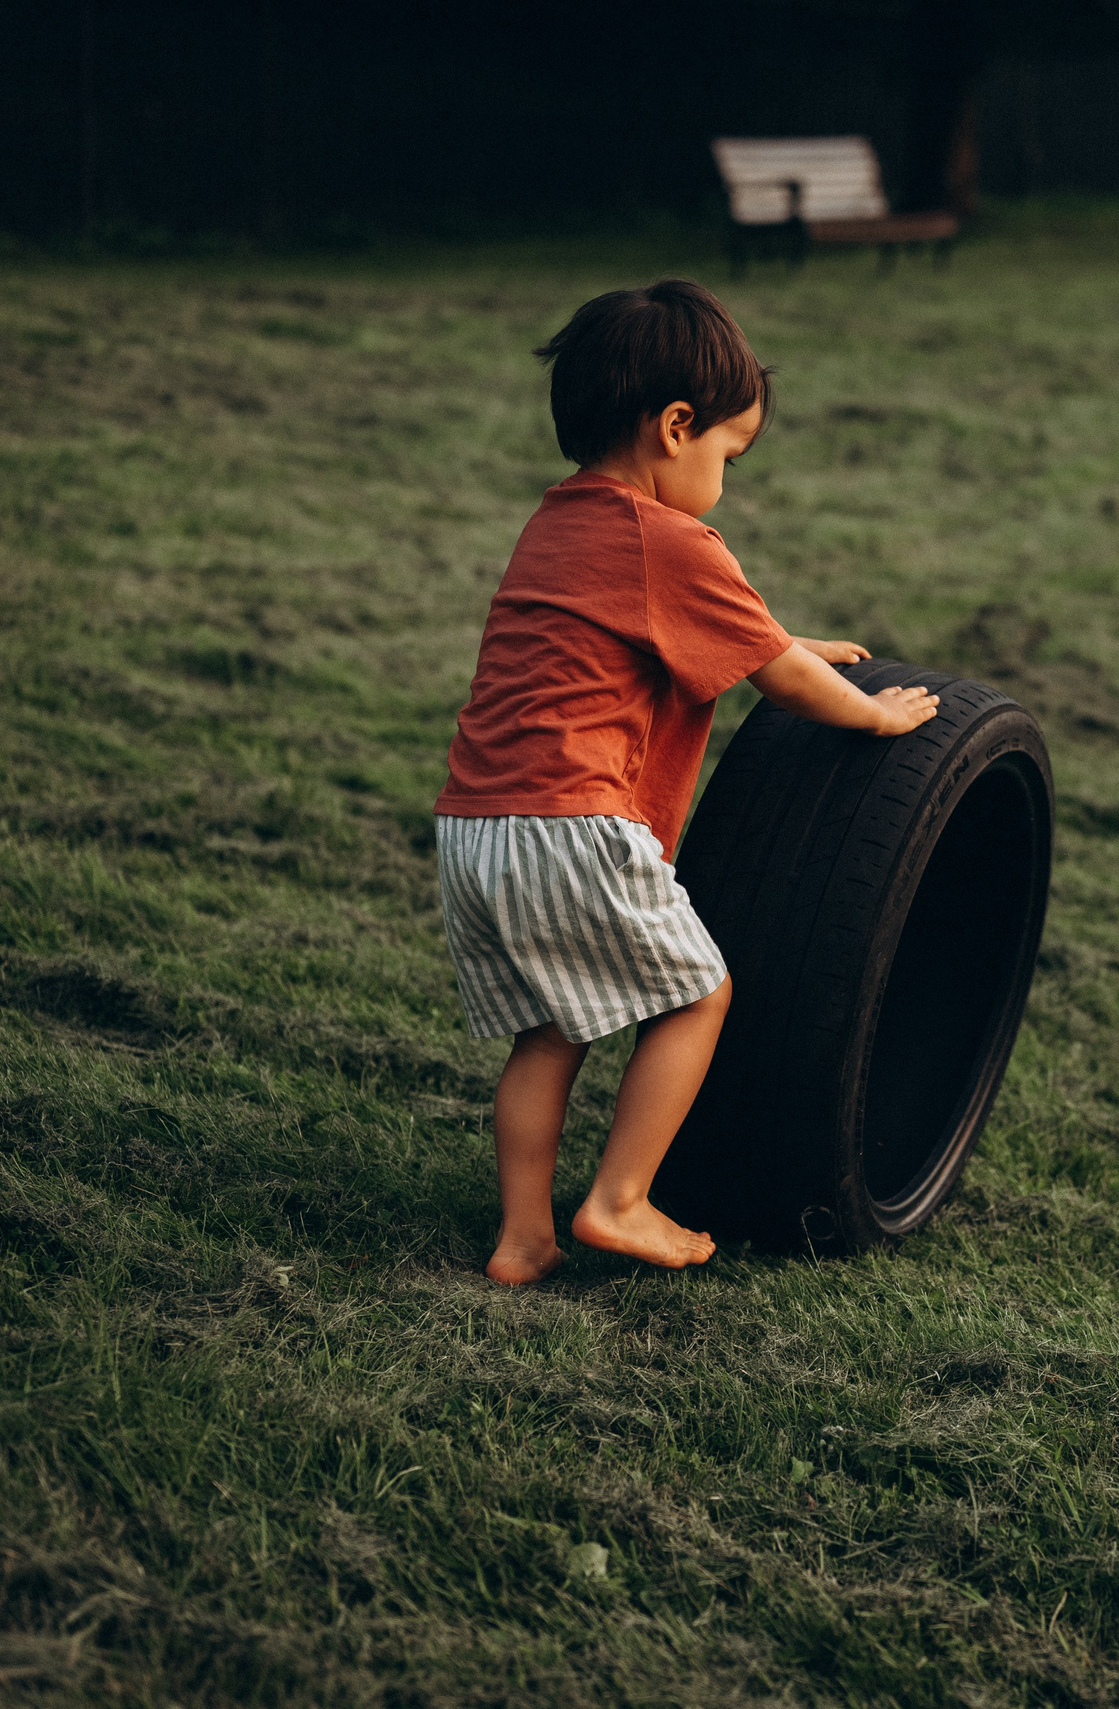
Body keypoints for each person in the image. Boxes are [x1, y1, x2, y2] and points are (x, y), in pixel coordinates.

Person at [437, 279, 940, 1286]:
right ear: (675, 427)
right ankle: (619, 1199)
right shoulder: (669, 537)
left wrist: (780, 636)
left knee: (552, 1029)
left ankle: (522, 1235)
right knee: (698, 994)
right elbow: (779, 678)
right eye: (727, 455)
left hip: (475, 825)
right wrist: (876, 713)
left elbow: (689, 631)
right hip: (571, 822)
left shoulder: (558, 522)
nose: (725, 478)